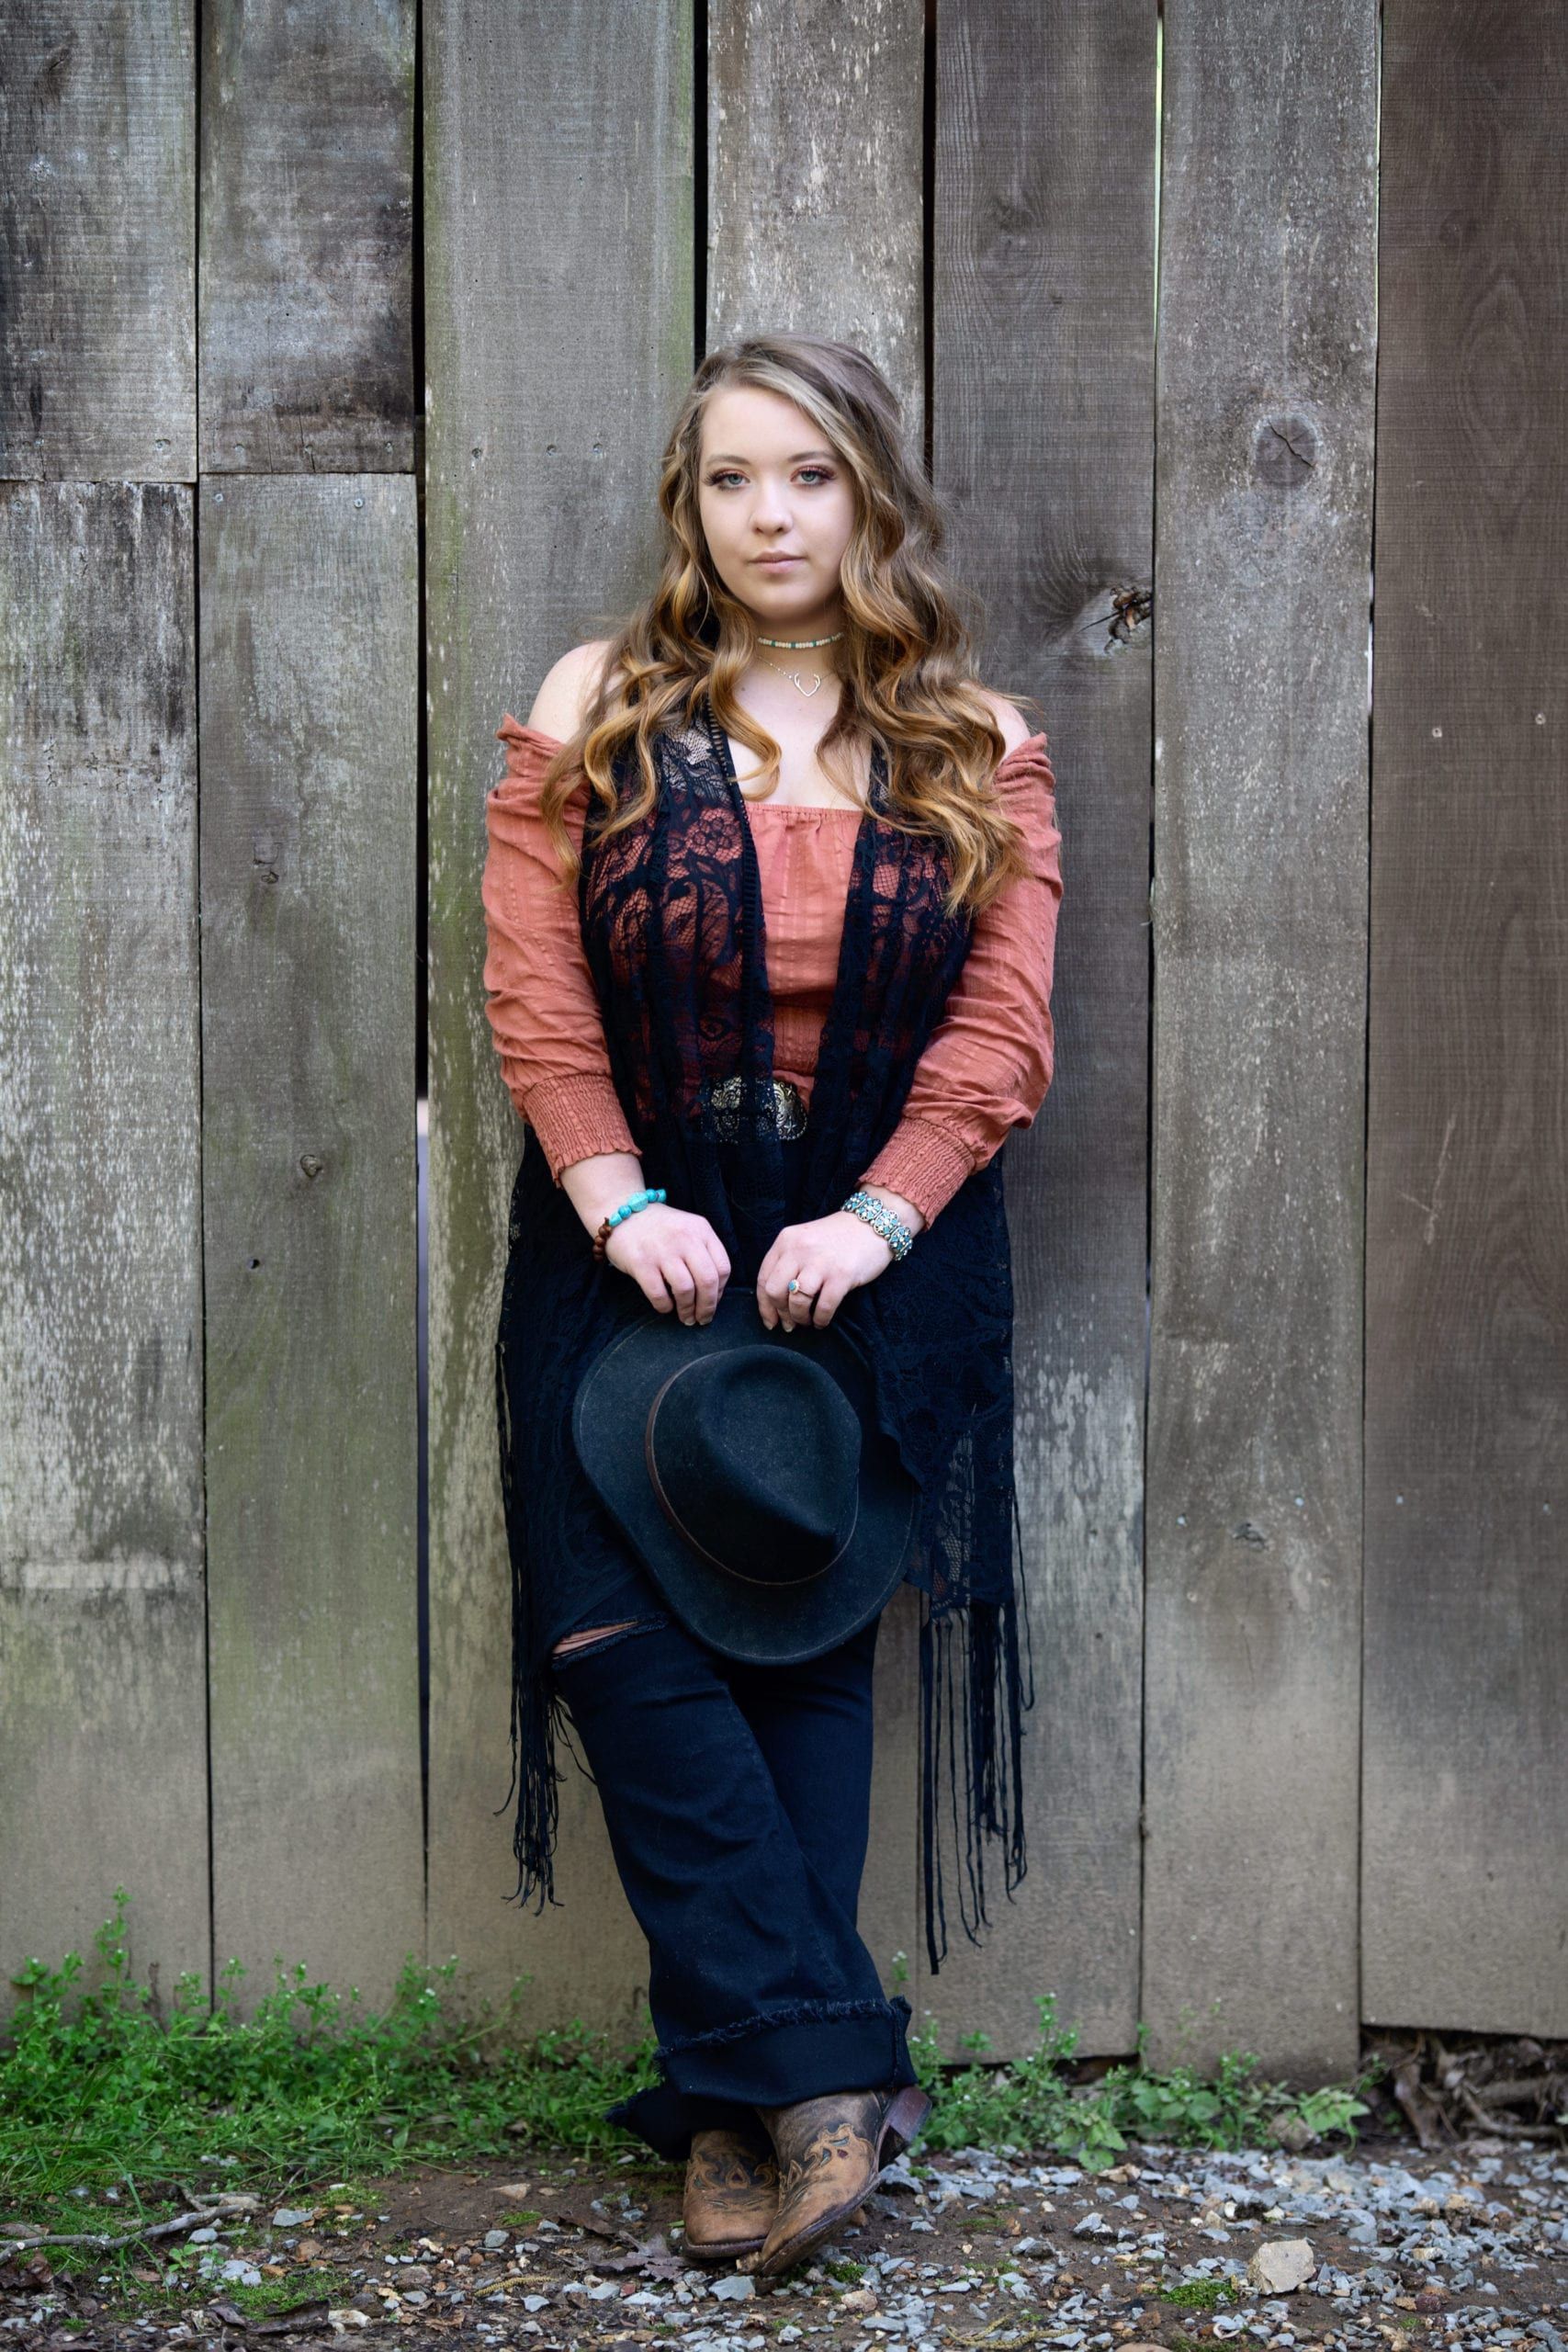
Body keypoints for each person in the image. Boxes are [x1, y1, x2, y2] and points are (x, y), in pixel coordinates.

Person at [480, 332, 1064, 2276]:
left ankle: (725, 2110)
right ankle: (827, 2074)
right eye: (731, 478)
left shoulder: (972, 742)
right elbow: (536, 989)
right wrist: (608, 1185)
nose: (768, 515)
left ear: (870, 495)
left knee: (796, 1629)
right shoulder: (600, 709)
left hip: (861, 1252)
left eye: (806, 475)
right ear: (690, 506)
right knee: (609, 1629)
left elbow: (998, 1029)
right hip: (625, 1228)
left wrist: (881, 1219)